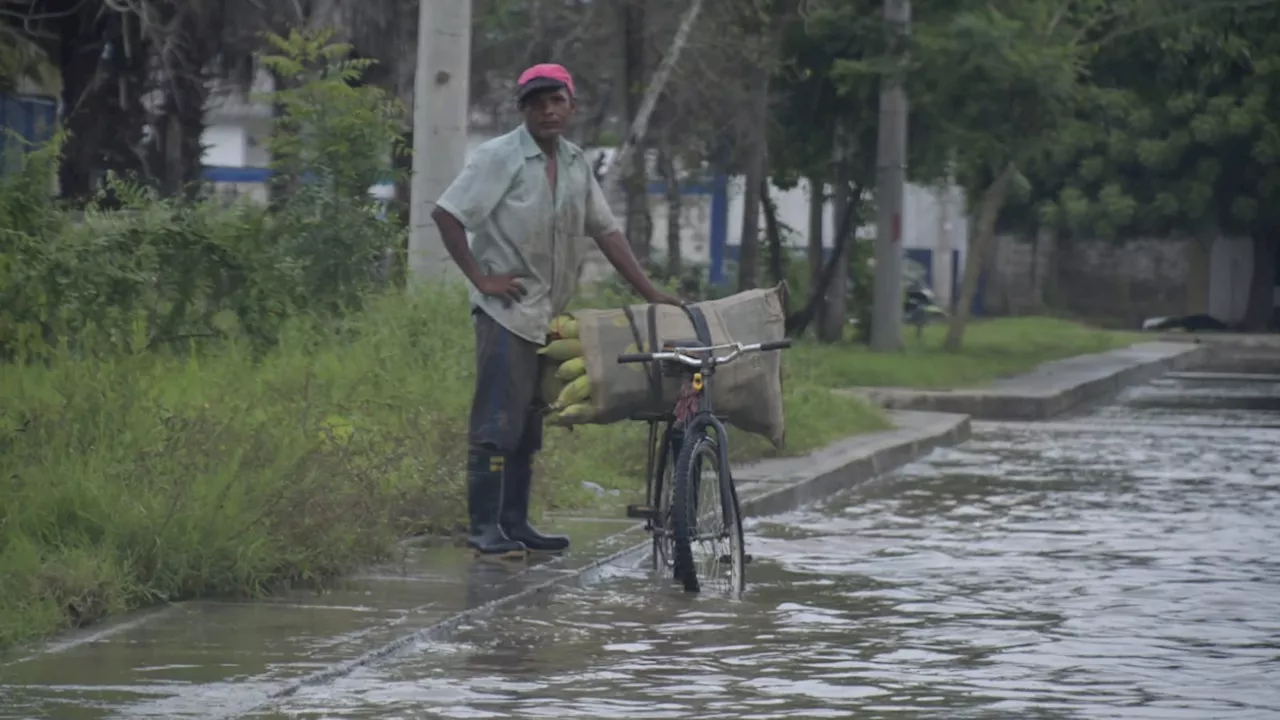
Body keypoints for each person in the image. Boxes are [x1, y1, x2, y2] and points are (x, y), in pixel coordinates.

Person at [432, 63, 681, 559]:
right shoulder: (499, 157)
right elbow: (447, 213)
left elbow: (606, 231)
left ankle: (515, 523)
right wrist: (482, 279)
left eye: (557, 100)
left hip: (546, 315)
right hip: (506, 312)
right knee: (496, 423)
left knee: (529, 423)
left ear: (572, 106)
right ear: (523, 108)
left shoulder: (573, 163)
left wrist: (652, 293)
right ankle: (484, 529)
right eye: (537, 102)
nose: (548, 110)